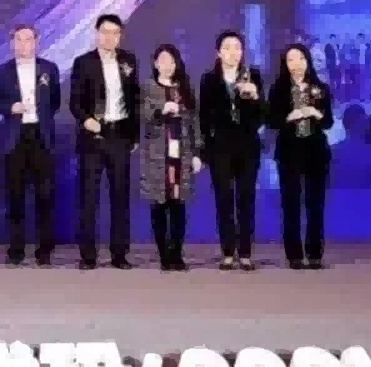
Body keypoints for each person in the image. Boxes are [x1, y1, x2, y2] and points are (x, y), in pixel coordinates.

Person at [69, 14, 141, 270]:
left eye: (115, 33)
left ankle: (119, 254)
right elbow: (74, 101)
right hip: (93, 137)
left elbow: (134, 100)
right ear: (97, 34)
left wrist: (134, 135)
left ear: (120, 36)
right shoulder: (83, 62)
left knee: (120, 197)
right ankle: (88, 256)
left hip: (119, 136)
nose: (110, 37)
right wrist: (86, 119)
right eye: (105, 32)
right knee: (89, 198)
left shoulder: (128, 61)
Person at [0, 24, 61, 266]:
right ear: (12, 43)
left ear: (36, 41)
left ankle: (44, 249)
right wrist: (11, 107)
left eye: (28, 39)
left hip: (41, 137)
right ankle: (16, 249)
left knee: (45, 196)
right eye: (19, 39)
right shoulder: (2, 70)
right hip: (14, 139)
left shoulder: (49, 68)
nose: (24, 44)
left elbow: (56, 102)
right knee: (15, 196)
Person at [198, 30, 264, 270]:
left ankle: (245, 253)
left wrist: (255, 96)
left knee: (246, 199)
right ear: (218, 52)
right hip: (220, 148)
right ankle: (227, 252)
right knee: (224, 200)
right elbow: (204, 117)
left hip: (247, 146)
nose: (233, 52)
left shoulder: (253, 75)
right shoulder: (208, 79)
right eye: (227, 47)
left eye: (237, 47)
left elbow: (262, 116)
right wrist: (204, 150)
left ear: (242, 52)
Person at [267, 43, 335, 269]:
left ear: (308, 61)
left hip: (316, 151)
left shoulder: (320, 87)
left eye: (301, 59)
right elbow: (271, 121)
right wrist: (290, 116)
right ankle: (294, 255)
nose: (297, 64)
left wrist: (316, 113)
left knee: (315, 204)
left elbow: (328, 122)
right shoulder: (278, 89)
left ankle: (315, 254)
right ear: (285, 64)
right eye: (291, 60)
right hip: (289, 151)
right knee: (291, 203)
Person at [140, 44, 202, 272]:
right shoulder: (147, 87)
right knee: (158, 205)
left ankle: (176, 254)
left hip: (181, 156)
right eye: (163, 60)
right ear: (156, 63)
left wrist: (197, 153)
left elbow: (194, 122)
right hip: (157, 156)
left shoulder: (184, 88)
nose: (167, 65)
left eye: (172, 61)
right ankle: (164, 255)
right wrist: (160, 109)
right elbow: (142, 115)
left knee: (178, 206)